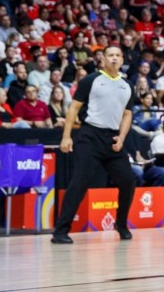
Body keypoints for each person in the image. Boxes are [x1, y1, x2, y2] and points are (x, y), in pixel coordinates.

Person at [51, 45, 136, 244]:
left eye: (117, 55)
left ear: (122, 59)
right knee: (79, 183)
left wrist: (122, 138)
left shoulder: (127, 85)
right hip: (90, 136)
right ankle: (60, 232)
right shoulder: (91, 80)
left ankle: (121, 224)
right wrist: (66, 136)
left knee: (128, 181)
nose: (114, 58)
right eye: (110, 55)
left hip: (113, 139)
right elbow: (73, 108)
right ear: (103, 59)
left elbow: (127, 114)